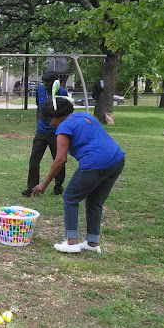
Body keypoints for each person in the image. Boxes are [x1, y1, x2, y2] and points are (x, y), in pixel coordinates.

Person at [31, 97, 125, 254]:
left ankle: (72, 242)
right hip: (117, 160)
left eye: (50, 119)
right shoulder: (85, 116)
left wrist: (44, 184)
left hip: (94, 164)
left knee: (70, 197)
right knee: (95, 202)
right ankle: (92, 243)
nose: (49, 123)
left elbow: (60, 159)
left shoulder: (63, 127)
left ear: (57, 116)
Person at [22, 72, 69, 197]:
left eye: (48, 82)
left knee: (58, 159)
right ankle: (31, 188)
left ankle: (58, 186)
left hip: (56, 133)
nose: (45, 84)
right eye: (44, 82)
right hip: (41, 132)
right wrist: (38, 124)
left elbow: (65, 112)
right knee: (34, 160)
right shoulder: (40, 90)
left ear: (55, 82)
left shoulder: (62, 93)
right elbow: (39, 108)